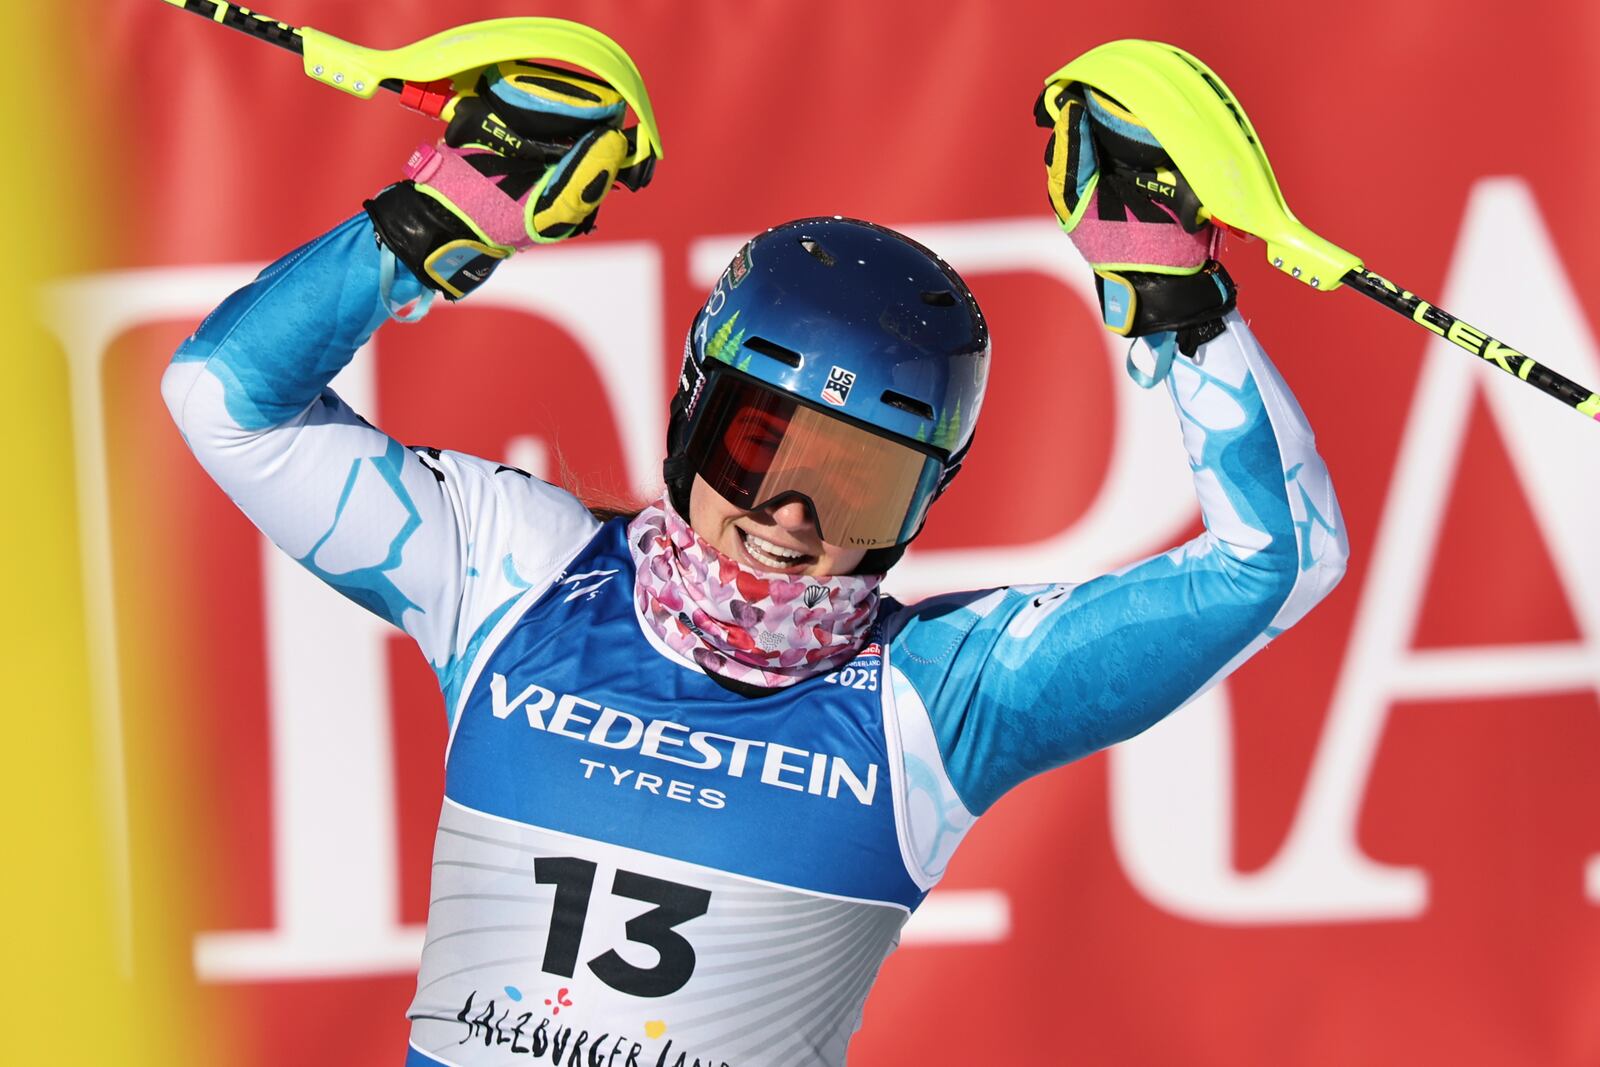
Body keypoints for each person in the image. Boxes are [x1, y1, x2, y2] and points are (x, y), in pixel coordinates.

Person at [163, 59, 1346, 1067]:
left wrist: (1178, 307)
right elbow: (225, 399)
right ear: (692, 417)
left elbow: (1273, 561)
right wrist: (440, 217)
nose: (789, 513)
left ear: (925, 496)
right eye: (758, 443)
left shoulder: (942, 696)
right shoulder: (511, 568)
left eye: (858, 482)